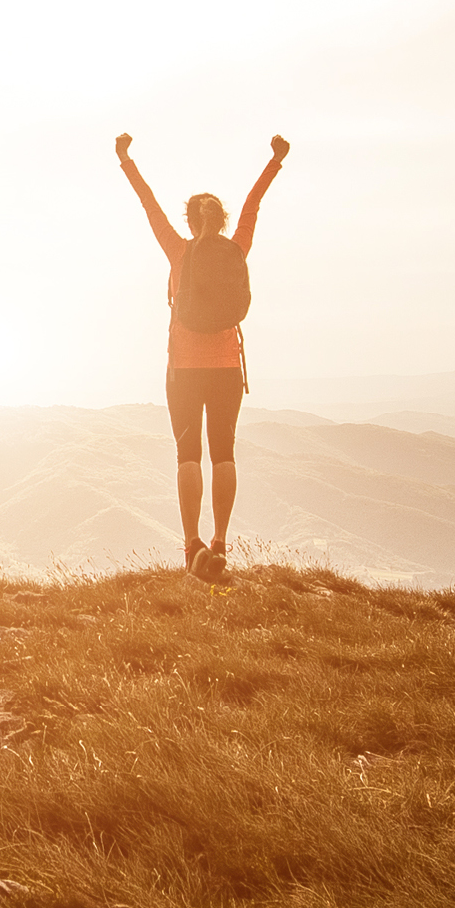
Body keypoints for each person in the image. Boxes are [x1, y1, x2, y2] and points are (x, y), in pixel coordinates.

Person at [117, 131, 286, 583]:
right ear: (223, 220)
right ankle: (220, 543)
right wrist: (275, 160)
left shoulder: (178, 250)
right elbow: (254, 202)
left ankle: (191, 544)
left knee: (187, 453)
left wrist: (125, 159)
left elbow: (147, 202)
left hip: (185, 371)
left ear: (190, 221)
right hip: (227, 368)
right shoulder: (237, 247)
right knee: (224, 453)